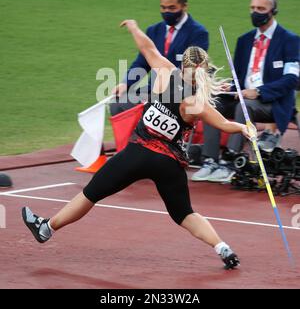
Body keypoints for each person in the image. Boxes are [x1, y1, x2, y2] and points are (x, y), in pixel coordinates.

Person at [22, 19, 255, 270]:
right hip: (169, 164)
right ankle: (223, 248)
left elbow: (148, 49)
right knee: (184, 214)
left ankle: (46, 228)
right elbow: (223, 124)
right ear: (204, 70)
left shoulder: (166, 72)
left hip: (136, 153)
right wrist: (244, 128)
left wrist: (134, 28)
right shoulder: (197, 102)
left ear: (182, 64)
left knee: (90, 194)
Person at [192, 0, 300, 183]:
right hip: (243, 96)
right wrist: (229, 86)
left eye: (260, 8)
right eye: (252, 8)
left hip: (271, 103)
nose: (255, 12)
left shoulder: (290, 40)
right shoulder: (244, 41)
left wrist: (258, 91)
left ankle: (232, 160)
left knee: (244, 106)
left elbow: (292, 80)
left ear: (273, 10)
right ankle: (210, 160)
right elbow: (239, 77)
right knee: (210, 103)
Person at [110, 0, 209, 115]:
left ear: (184, 6)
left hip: (179, 95)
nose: (166, 11)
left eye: (172, 8)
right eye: (163, 7)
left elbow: (190, 72)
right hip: (153, 92)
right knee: (118, 103)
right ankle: (133, 137)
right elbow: (141, 63)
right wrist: (125, 83)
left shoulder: (198, 33)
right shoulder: (154, 31)